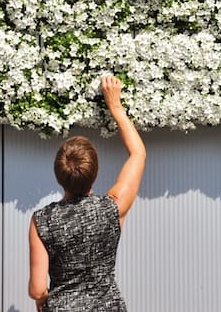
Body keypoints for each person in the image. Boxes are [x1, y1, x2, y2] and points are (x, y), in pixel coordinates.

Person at [28, 75, 147, 312]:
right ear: (96, 171)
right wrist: (115, 106)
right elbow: (138, 154)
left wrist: (42, 299)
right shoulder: (112, 208)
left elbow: (37, 289)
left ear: (57, 176)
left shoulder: (42, 220)